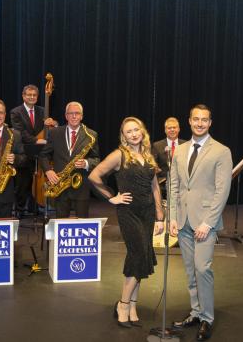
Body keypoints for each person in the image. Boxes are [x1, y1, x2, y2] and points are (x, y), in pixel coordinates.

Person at [89, 117, 165, 328]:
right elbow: (94, 176)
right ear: (124, 135)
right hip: (129, 212)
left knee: (141, 259)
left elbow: (155, 185)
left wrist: (160, 213)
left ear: (142, 131)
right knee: (138, 254)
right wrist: (111, 197)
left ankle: (132, 305)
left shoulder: (149, 155)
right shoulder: (119, 155)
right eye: (128, 131)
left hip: (148, 212)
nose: (133, 134)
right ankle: (122, 304)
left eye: (136, 130)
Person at [169, 104, 232, 341]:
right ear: (189, 121)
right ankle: (195, 311)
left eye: (204, 120)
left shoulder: (221, 151)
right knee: (189, 270)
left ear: (210, 122)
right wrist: (173, 218)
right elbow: (175, 186)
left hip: (205, 221)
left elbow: (221, 190)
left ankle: (206, 318)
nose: (199, 123)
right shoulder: (180, 150)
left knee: (203, 268)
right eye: (196, 119)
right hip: (183, 220)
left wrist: (209, 222)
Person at [40, 102, 100, 218]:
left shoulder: (91, 135)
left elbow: (96, 159)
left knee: (82, 224)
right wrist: (48, 171)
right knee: (61, 223)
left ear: (81, 116)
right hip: (60, 185)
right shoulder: (54, 133)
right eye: (71, 113)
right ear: (66, 116)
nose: (74, 116)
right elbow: (43, 155)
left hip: (81, 186)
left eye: (77, 113)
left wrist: (86, 163)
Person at [8, 84, 57, 215]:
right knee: (22, 183)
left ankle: (34, 208)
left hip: (40, 153)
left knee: (36, 181)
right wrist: (36, 140)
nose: (32, 97)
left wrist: (53, 124)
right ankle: (19, 210)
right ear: (23, 96)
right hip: (24, 151)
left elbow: (53, 129)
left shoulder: (43, 111)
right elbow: (20, 132)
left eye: (34, 95)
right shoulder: (15, 112)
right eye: (29, 95)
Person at [151, 117, 187, 191]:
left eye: (174, 127)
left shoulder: (186, 144)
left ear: (179, 129)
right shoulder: (157, 146)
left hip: (183, 186)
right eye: (169, 128)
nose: (172, 130)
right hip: (163, 187)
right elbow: (153, 165)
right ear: (165, 130)